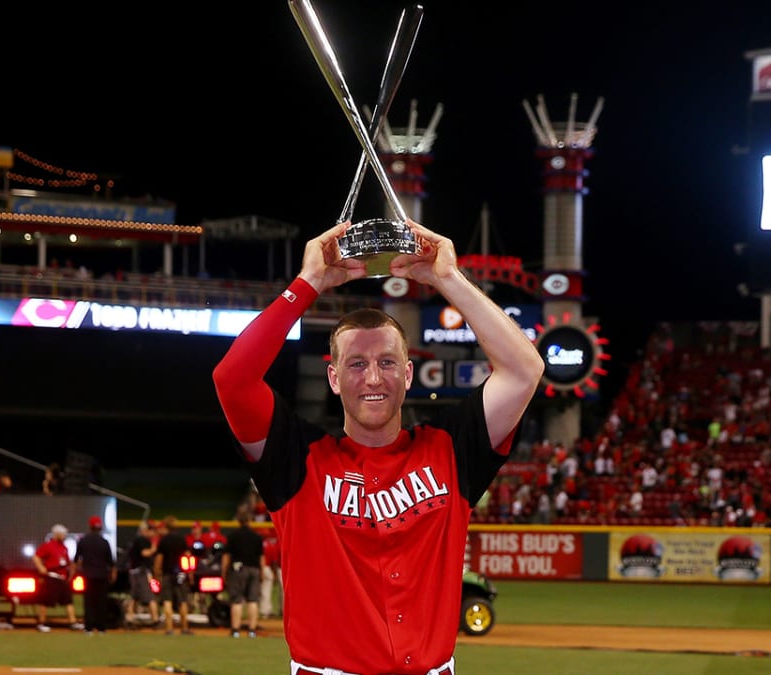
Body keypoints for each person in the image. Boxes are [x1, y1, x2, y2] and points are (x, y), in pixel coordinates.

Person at [212, 219, 544, 674]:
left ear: (408, 375)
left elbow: (525, 371)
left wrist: (447, 279)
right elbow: (232, 381)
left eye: (388, 362)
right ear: (333, 378)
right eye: (356, 364)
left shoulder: (450, 447)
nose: (373, 378)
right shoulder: (295, 457)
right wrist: (308, 283)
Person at [221, 504, 265, 638]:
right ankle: (252, 630)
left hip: (238, 569)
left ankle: (235, 630)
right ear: (250, 520)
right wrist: (262, 572)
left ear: (239, 520)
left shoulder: (233, 536)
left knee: (237, 600)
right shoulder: (257, 537)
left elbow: (226, 556)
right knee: (253, 600)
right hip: (254, 569)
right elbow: (261, 557)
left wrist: (224, 572)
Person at [32, 524, 83, 632]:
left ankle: (72, 622)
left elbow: (67, 563)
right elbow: (36, 557)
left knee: (68, 600)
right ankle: (41, 623)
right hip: (51, 576)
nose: (64, 536)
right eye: (63, 534)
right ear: (57, 534)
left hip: (62, 578)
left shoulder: (64, 547)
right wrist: (41, 568)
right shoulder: (48, 546)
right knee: (46, 601)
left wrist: (71, 571)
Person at [74, 515, 116, 633]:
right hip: (102, 575)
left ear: (90, 526)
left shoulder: (83, 540)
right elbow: (110, 562)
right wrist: (112, 574)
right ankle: (101, 627)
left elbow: (77, 558)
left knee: (89, 601)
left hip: (88, 575)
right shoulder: (104, 542)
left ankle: (89, 627)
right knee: (101, 601)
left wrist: (75, 572)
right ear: (100, 527)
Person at [152, 516, 193, 636]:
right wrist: (189, 573)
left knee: (167, 600)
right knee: (182, 601)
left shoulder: (164, 541)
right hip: (180, 573)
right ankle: (185, 627)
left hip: (166, 574)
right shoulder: (182, 540)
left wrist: (156, 574)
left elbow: (159, 559)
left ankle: (169, 628)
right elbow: (187, 557)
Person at [124, 520, 160, 628]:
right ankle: (155, 619)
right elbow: (144, 553)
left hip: (136, 571)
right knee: (149, 596)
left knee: (134, 597)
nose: (153, 532)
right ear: (145, 530)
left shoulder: (140, 540)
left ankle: (129, 619)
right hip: (140, 572)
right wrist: (154, 548)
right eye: (151, 529)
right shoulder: (141, 540)